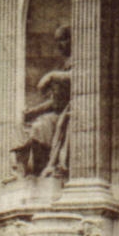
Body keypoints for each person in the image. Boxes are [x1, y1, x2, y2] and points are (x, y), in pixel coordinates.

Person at [14, 25, 72, 177]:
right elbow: (54, 101)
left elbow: (78, 76)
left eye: (63, 39)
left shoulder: (79, 61)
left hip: (68, 113)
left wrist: (52, 76)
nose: (60, 45)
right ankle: (21, 171)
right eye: (57, 41)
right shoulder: (63, 65)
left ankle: (40, 171)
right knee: (23, 126)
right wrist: (33, 111)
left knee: (39, 127)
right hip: (57, 112)